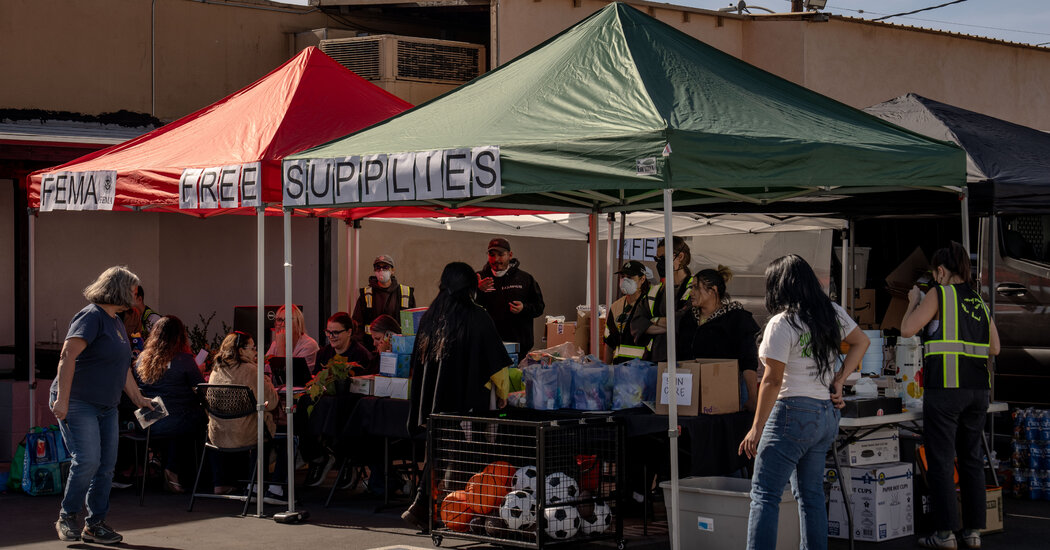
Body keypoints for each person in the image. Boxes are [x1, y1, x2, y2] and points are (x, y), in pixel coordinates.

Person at [739, 255, 869, 550]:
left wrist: (756, 428)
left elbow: (771, 381)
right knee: (811, 497)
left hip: (792, 413)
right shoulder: (831, 312)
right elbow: (862, 342)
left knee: (764, 495)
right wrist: (839, 378)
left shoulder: (781, 323)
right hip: (825, 414)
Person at [901, 242, 1000, 550]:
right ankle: (973, 532)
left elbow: (906, 330)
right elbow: (995, 348)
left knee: (942, 460)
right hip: (978, 391)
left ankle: (945, 534)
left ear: (940, 271)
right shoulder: (979, 301)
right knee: (972, 459)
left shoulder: (938, 294)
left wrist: (913, 302)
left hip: (946, 389)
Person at [402, 261, 513, 531]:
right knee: (463, 458)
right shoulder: (477, 316)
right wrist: (504, 393)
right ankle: (449, 510)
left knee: (437, 454)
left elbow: (417, 364)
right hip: (466, 404)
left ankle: (424, 507)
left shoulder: (430, 317)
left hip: (434, 406)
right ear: (471, 287)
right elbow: (496, 363)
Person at [50, 266, 154, 544]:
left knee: (106, 466)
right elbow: (67, 356)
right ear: (119, 289)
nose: (136, 296)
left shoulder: (117, 321)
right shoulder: (91, 316)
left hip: (106, 405)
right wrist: (61, 400)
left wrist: (138, 399)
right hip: (78, 402)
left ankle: (94, 525)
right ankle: (68, 516)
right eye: (133, 291)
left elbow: (123, 370)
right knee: (87, 460)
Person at [133, 315, 206, 494]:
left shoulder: (142, 359)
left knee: (176, 420)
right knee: (200, 419)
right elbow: (200, 388)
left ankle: (163, 463)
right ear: (180, 336)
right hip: (175, 421)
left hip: (147, 421)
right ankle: (181, 472)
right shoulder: (184, 359)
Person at [676, 266, 761, 411]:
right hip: (690, 394)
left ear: (713, 290)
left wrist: (753, 397)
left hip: (727, 394)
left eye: (696, 287)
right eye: (691, 287)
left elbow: (749, 362)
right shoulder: (688, 319)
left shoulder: (737, 318)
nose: (692, 292)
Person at [206, 331, 280, 498]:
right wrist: (267, 381)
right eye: (252, 348)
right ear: (240, 350)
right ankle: (261, 486)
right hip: (245, 435)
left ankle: (220, 483)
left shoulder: (216, 370)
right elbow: (272, 402)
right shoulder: (250, 370)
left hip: (217, 435)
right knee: (279, 433)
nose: (255, 352)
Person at [476, 238, 545, 353]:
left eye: (500, 255)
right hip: (487, 346)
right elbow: (464, 307)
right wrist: (476, 290)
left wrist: (524, 308)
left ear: (510, 255)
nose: (496, 259)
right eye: (492, 255)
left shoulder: (525, 279)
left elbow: (539, 307)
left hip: (519, 348)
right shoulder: (478, 278)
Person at [351, 254, 415, 351]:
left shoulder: (405, 293)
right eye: (378, 267)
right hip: (371, 349)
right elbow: (357, 324)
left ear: (392, 270)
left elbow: (412, 326)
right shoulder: (366, 294)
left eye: (385, 267)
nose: (381, 270)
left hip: (398, 349)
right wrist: (361, 349)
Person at [646, 236, 695, 362]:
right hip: (656, 361)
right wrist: (670, 323)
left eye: (664, 258)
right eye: (657, 259)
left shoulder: (695, 288)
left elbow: (684, 322)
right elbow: (638, 324)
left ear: (680, 257)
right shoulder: (656, 290)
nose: (660, 263)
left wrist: (654, 320)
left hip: (684, 361)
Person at [604, 260, 655, 363]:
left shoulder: (649, 304)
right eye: (623, 276)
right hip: (619, 370)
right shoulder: (615, 307)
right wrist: (606, 370)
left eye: (630, 277)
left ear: (642, 279)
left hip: (642, 370)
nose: (625, 280)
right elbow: (609, 344)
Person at [265, 304, 320, 372]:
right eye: (279, 320)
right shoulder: (275, 344)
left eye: (288, 320)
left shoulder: (309, 345)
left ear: (298, 323)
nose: (282, 324)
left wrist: (281, 346)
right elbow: (265, 371)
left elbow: (287, 377)